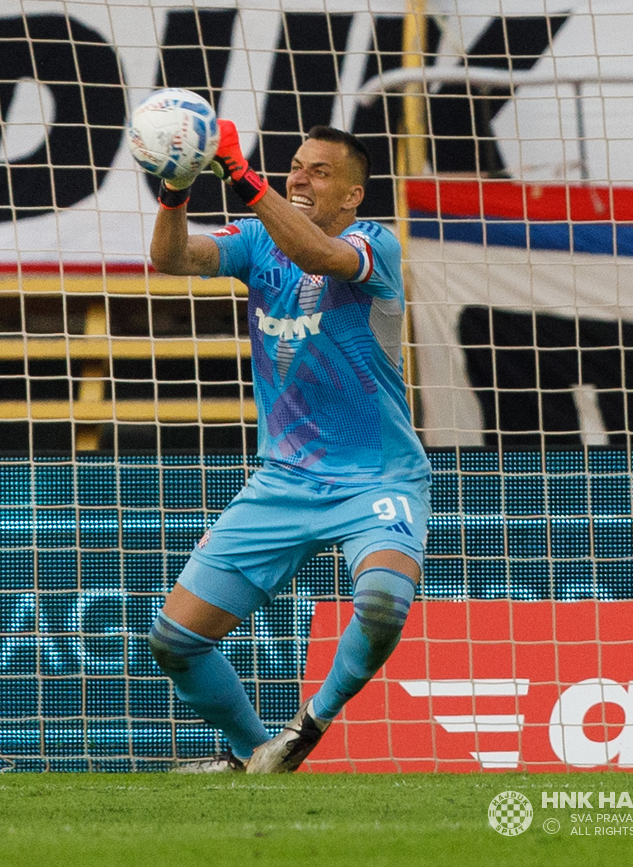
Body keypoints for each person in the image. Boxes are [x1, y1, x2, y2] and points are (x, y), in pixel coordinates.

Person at [145, 120, 429, 773]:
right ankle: (255, 756)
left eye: (318, 171)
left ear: (354, 195)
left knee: (383, 604)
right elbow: (171, 258)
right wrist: (176, 191)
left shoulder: (373, 244)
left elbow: (317, 257)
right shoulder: (254, 241)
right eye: (294, 166)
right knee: (173, 640)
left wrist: (244, 178)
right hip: (284, 480)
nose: (298, 177)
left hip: (376, 478)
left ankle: (308, 726)